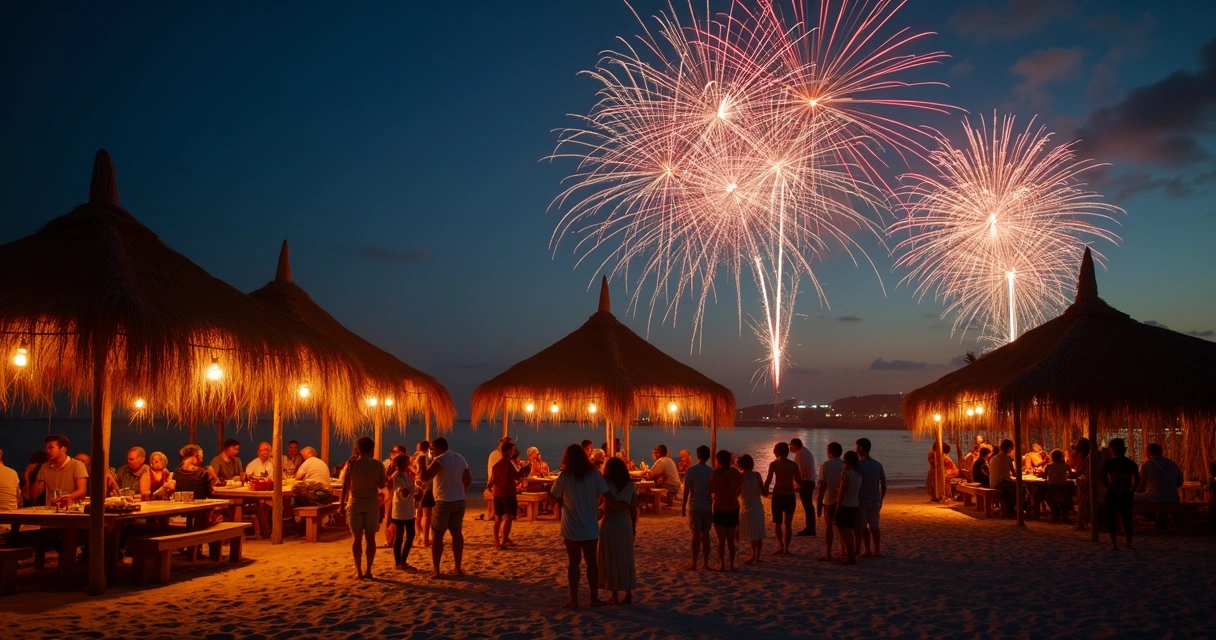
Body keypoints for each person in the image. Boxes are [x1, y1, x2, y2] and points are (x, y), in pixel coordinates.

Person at [548, 443, 612, 609]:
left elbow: (553, 495)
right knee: (592, 564)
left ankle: (574, 600)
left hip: (571, 526)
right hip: (590, 525)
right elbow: (607, 496)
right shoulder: (595, 475)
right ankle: (593, 599)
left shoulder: (565, 476)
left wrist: (563, 504)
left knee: (573, 564)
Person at [418, 437, 471, 579]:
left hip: (443, 501)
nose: (432, 452)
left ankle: (436, 570)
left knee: (437, 535)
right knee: (456, 533)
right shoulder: (460, 458)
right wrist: (460, 490)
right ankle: (457, 568)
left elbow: (425, 477)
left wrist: (422, 462)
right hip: (459, 500)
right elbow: (467, 478)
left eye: (432, 449)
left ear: (437, 447)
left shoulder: (440, 459)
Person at [338, 436, 386, 579]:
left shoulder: (351, 465)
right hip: (371, 503)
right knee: (371, 538)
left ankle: (358, 571)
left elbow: (345, 487)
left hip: (355, 503)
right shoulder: (378, 465)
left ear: (358, 449)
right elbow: (382, 485)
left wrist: (341, 505)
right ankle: (369, 570)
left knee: (356, 539)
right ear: (372, 449)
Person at [598, 457, 637, 604]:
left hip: (611, 521)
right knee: (626, 557)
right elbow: (634, 510)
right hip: (625, 522)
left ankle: (614, 594)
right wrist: (633, 529)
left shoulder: (606, 486)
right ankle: (628, 592)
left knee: (611, 556)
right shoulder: (631, 486)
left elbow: (603, 507)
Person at [762, 441, 802, 556]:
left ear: (776, 452)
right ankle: (786, 548)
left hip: (778, 495)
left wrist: (763, 490)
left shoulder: (774, 464)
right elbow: (799, 482)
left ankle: (780, 544)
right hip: (789, 495)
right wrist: (802, 487)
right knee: (788, 524)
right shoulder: (793, 465)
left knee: (778, 523)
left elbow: (768, 480)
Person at [1099, 438, 1139, 551]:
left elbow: (1103, 478)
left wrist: (1108, 488)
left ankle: (1114, 544)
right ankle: (1128, 544)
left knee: (1111, 518)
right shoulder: (1131, 463)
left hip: (1113, 492)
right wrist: (1132, 490)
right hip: (1126, 492)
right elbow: (1137, 480)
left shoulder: (1110, 463)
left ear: (1112, 450)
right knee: (1127, 518)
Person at [488, 441, 530, 550]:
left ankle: (498, 541)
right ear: (508, 452)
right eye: (513, 450)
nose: (514, 452)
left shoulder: (496, 466)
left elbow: (491, 481)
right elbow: (517, 477)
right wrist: (524, 471)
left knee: (498, 518)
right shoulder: (508, 464)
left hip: (497, 494)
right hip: (507, 494)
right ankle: (502, 541)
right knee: (508, 517)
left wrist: (490, 488)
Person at [681, 445, 713, 570]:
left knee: (695, 535)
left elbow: (686, 490)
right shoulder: (711, 471)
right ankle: (705, 563)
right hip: (707, 506)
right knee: (706, 534)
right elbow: (712, 490)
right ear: (708, 456)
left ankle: (694, 562)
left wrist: (683, 506)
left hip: (695, 506)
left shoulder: (691, 471)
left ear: (697, 455)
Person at [709, 449, 741, 572]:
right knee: (731, 539)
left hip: (720, 507)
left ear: (718, 460)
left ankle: (722, 564)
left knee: (721, 540)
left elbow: (711, 489)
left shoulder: (716, 473)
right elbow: (739, 490)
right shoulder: (736, 473)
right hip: (733, 507)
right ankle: (732, 565)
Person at [34, 435, 88, 507]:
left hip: (71, 509)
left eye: (50, 447)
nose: (47, 451)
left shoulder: (77, 465)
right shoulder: (45, 467)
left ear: (63, 449)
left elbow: (81, 491)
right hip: (51, 510)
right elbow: (36, 493)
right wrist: (33, 472)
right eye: (46, 448)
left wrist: (66, 497)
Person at [855, 438, 887, 558]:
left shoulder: (858, 465)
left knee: (864, 527)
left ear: (860, 448)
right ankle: (877, 549)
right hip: (875, 499)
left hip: (862, 500)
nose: (855, 449)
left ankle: (867, 549)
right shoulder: (877, 464)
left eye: (856, 447)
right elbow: (883, 483)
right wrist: (881, 499)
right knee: (874, 526)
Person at [389, 455, 419, 571]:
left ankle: (403, 561)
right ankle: (399, 562)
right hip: (400, 510)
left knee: (410, 535)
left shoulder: (405, 475)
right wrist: (414, 490)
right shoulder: (397, 476)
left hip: (408, 510)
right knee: (400, 537)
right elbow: (403, 492)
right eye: (408, 461)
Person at [815, 442, 844, 562]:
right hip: (843, 498)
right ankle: (843, 549)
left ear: (829, 452)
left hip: (830, 498)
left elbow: (822, 485)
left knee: (828, 525)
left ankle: (828, 552)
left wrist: (819, 502)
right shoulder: (844, 464)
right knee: (840, 526)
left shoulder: (826, 465)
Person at [836, 451, 863, 566]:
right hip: (854, 503)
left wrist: (838, 505)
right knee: (848, 529)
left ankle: (850, 556)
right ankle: (851, 554)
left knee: (842, 529)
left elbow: (842, 491)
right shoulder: (858, 474)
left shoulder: (846, 474)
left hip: (846, 504)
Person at [737, 454, 765, 564]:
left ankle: (753, 555)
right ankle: (757, 556)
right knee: (758, 532)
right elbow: (763, 491)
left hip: (747, 507)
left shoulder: (740, 476)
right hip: (758, 506)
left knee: (752, 534)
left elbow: (737, 492)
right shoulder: (757, 475)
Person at [790, 438, 817, 537]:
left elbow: (799, 472)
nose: (790, 448)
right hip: (809, 481)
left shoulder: (801, 455)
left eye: (791, 446)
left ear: (794, 446)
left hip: (806, 482)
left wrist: (799, 485)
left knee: (808, 506)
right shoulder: (806, 452)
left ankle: (810, 528)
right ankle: (810, 527)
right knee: (808, 506)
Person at [413, 441, 434, 547]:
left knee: (419, 513)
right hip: (424, 487)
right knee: (426, 513)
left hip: (419, 486)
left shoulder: (417, 457)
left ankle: (420, 535)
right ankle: (424, 538)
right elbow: (422, 473)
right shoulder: (423, 457)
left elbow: (416, 472)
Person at [989, 439, 1017, 517]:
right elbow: (1014, 473)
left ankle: (1009, 510)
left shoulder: (993, 458)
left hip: (993, 483)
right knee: (1019, 489)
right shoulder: (1008, 458)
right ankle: (1010, 510)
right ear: (1009, 448)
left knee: (1013, 488)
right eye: (1012, 448)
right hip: (1001, 483)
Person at [1044, 449, 1073, 521]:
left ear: (1052, 457)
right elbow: (1072, 475)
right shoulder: (1066, 466)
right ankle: (1064, 514)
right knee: (1069, 493)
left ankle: (1054, 512)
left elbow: (1044, 476)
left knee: (1045, 495)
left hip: (1051, 490)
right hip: (1062, 489)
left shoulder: (1048, 466)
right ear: (1061, 457)